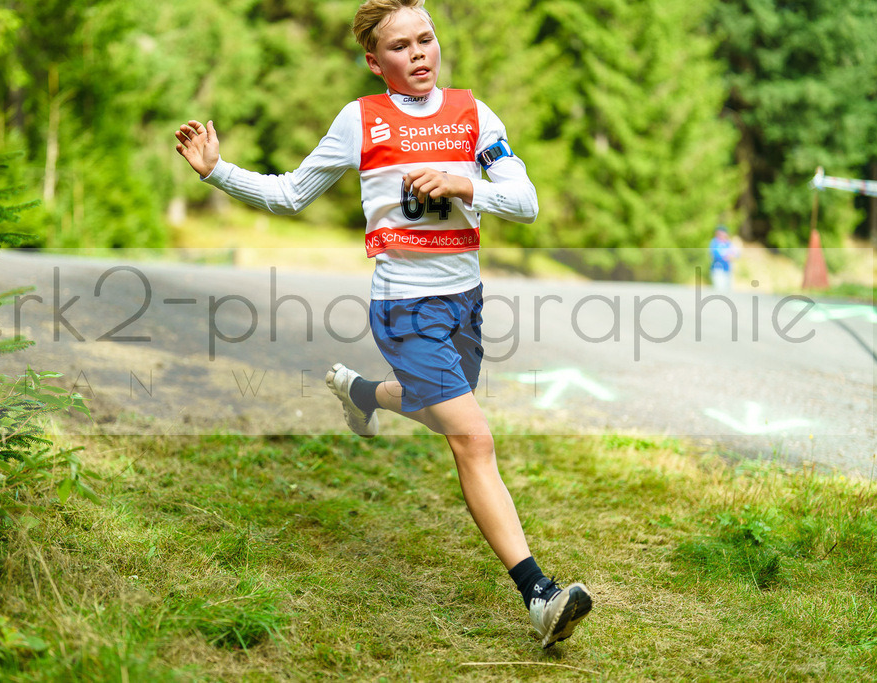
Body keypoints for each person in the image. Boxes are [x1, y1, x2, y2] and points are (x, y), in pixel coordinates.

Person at [174, 0, 592, 648]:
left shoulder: (474, 116)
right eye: (401, 46)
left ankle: (362, 393)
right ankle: (539, 594)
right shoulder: (359, 120)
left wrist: (463, 181)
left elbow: (527, 202)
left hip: (465, 301)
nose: (419, 53)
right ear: (375, 62)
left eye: (426, 38)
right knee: (473, 439)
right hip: (403, 308)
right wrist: (216, 172)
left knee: (439, 405)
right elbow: (290, 193)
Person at [709, 225, 740, 291]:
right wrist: (727, 256)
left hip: (727, 269)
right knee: (719, 288)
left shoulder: (728, 243)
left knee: (728, 289)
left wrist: (732, 256)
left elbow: (737, 254)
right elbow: (716, 255)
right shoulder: (715, 243)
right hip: (718, 269)